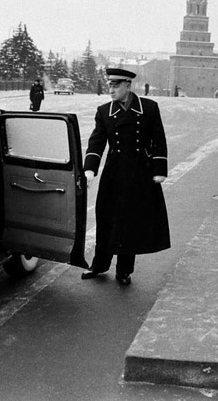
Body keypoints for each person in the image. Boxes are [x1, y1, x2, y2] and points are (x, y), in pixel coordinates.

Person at [81, 68, 170, 285]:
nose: (110, 90)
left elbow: (158, 138)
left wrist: (159, 170)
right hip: (114, 174)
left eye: (116, 86)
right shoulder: (104, 111)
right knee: (106, 219)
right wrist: (90, 168)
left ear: (128, 86)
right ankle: (99, 265)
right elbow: (97, 142)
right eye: (109, 85)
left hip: (140, 174)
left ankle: (124, 271)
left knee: (131, 222)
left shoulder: (149, 108)